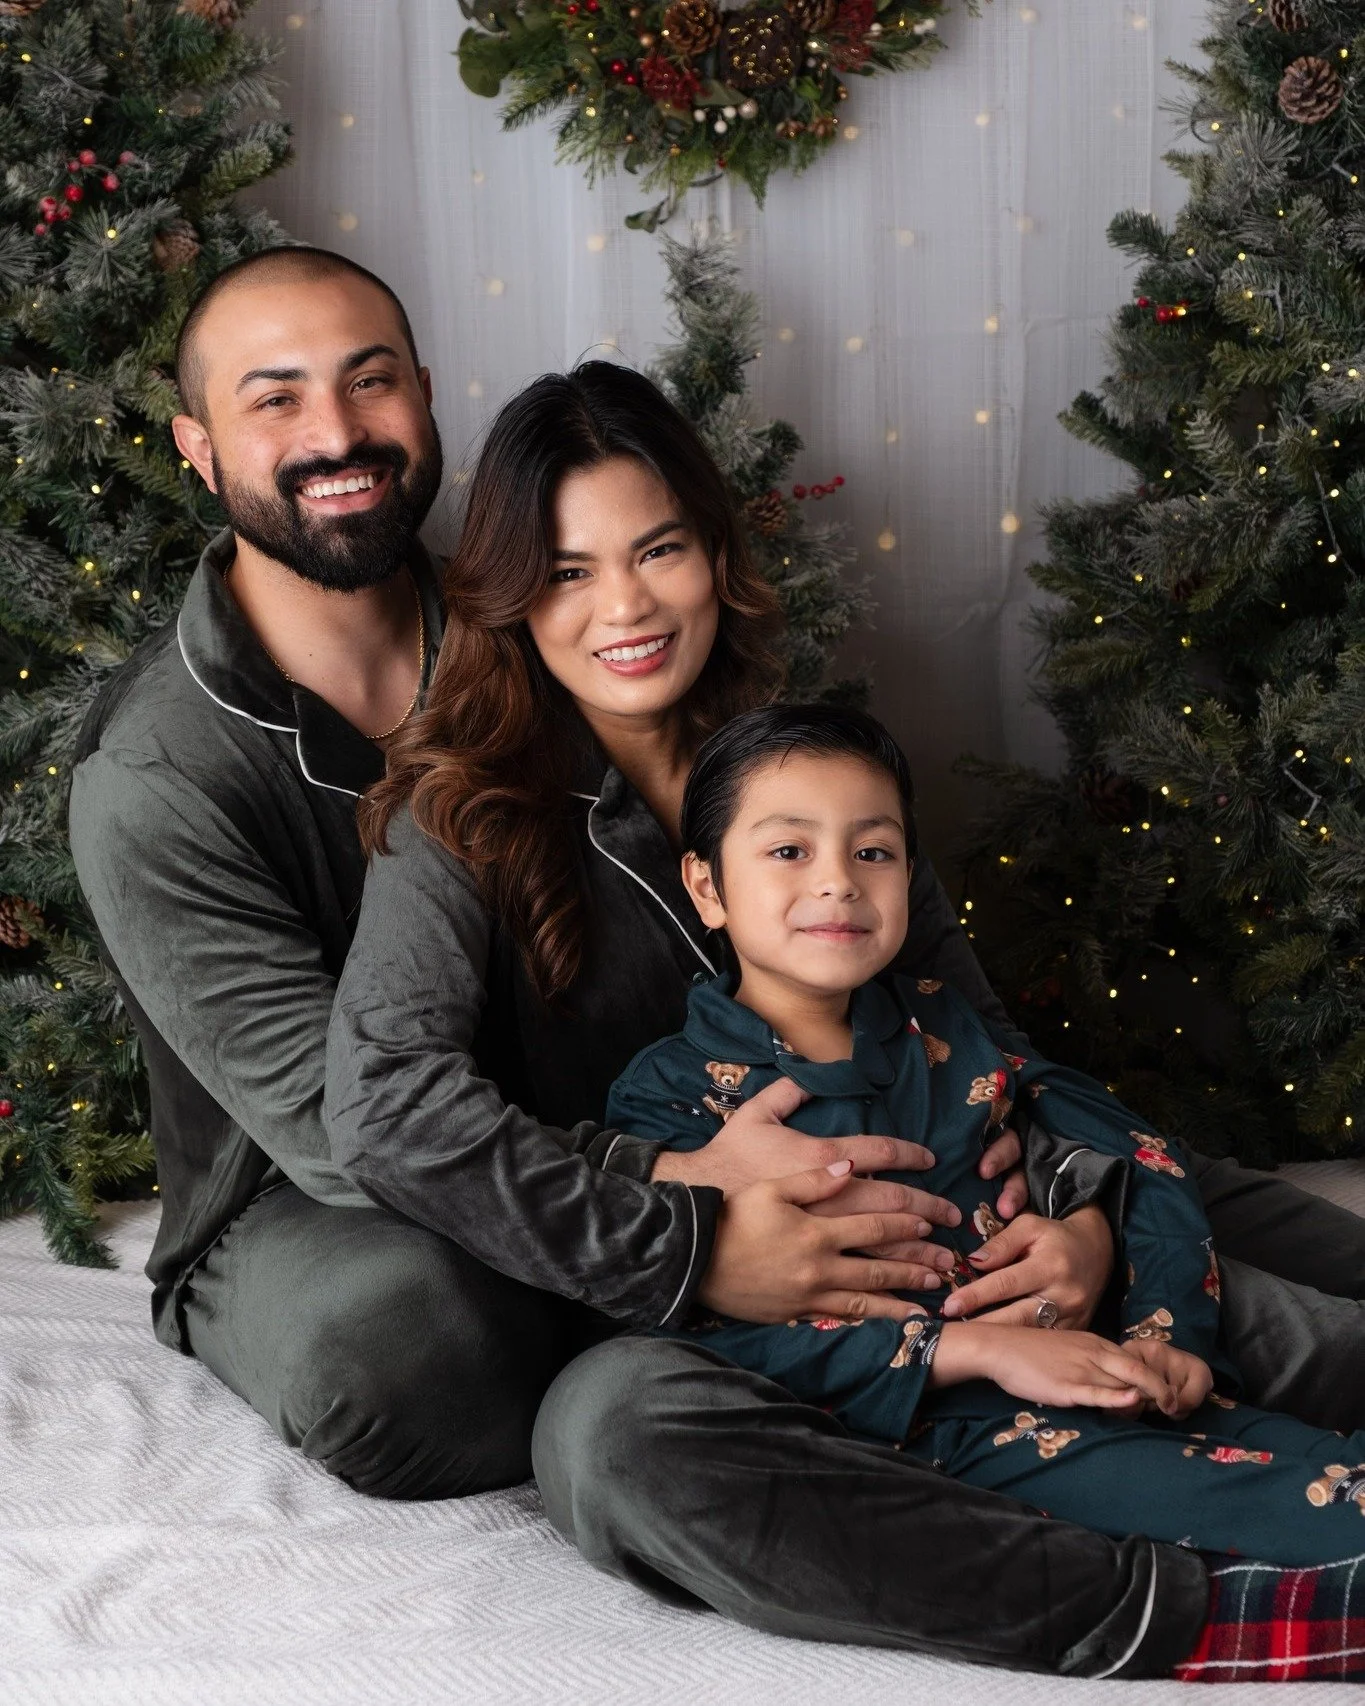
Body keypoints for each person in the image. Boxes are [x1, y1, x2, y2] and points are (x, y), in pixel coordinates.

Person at [63, 249, 1363, 1678]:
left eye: (658, 552)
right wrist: (693, 1214)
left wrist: (1086, 1213)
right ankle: (1192, 1607)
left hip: (921, 1191)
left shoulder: (793, 762)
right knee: (605, 1428)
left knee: (1196, 1208)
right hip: (648, 1241)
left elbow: (981, 1031)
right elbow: (370, 1117)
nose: (620, 604)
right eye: (568, 573)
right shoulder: (441, 807)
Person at [600, 701, 1365, 1680]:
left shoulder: (944, 1024)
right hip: (932, 1433)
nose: (837, 879)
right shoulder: (670, 1099)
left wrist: (1165, 1330)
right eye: (789, 851)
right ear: (706, 885)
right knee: (1300, 1514)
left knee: (1319, 1463)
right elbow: (699, 1331)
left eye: (873, 852)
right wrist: (971, 1349)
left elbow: (1137, 1154)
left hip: (1097, 1370)